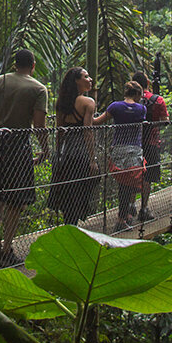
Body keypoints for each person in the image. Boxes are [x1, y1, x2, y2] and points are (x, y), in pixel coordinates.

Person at [0, 49, 50, 267]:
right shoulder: (39, 88)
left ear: (14, 65)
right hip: (18, 145)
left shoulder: (0, 80)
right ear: (33, 65)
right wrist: (45, 149)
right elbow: (39, 125)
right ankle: (6, 247)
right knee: (16, 199)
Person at [44, 67, 97, 226]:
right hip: (81, 154)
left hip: (66, 153)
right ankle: (74, 227)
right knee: (80, 191)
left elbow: (60, 131)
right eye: (86, 76)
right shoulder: (88, 102)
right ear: (77, 81)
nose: (90, 80)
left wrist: (58, 154)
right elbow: (88, 131)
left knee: (68, 192)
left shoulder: (62, 103)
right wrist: (92, 159)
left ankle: (69, 225)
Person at [93, 80, 147, 229]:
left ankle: (124, 216)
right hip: (134, 150)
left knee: (122, 184)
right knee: (129, 185)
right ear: (136, 93)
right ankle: (121, 219)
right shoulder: (141, 109)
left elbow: (96, 122)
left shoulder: (115, 106)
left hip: (118, 149)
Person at [135, 71, 168, 222]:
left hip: (133, 142)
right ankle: (144, 208)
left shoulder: (130, 101)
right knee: (147, 176)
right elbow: (165, 120)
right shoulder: (157, 100)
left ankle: (129, 208)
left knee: (132, 175)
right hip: (151, 142)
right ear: (147, 83)